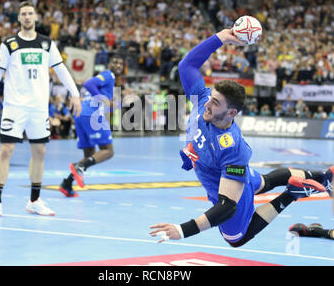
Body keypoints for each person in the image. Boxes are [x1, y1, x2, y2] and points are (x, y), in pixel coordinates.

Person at [149, 29, 332, 247]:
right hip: (227, 172)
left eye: (216, 103)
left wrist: (183, 230)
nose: (208, 103)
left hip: (225, 184)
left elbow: (227, 206)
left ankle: (292, 193)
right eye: (211, 97)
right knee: (262, 183)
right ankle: (323, 176)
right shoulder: (203, 99)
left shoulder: (232, 148)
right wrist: (220, 38)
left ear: (231, 113)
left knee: (236, 239)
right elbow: (186, 65)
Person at [0, 1, 81, 218]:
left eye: (30, 13)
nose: (27, 17)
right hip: (15, 106)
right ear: (19, 18)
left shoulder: (46, 44)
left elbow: (62, 70)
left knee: (40, 151)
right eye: (23, 14)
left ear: (36, 17)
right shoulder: (9, 44)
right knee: (6, 149)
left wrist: (75, 93)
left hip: (38, 108)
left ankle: (35, 200)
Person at [59, 55, 124, 197]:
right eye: (115, 61)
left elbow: (105, 104)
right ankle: (80, 167)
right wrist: (104, 99)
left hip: (81, 113)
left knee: (89, 154)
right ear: (109, 65)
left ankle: (67, 183)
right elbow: (88, 84)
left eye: (120, 63)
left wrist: (116, 105)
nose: (118, 65)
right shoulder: (108, 75)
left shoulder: (110, 81)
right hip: (91, 114)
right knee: (108, 151)